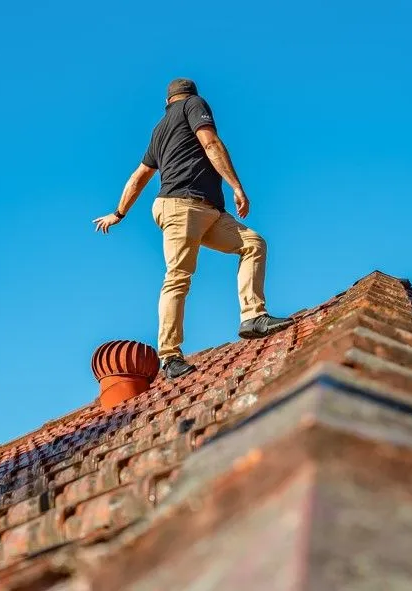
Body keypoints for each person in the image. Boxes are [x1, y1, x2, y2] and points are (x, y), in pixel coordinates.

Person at [93, 78, 293, 380]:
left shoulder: (159, 129)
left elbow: (138, 177)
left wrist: (119, 213)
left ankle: (252, 317)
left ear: (166, 102)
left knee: (253, 243)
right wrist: (237, 187)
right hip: (181, 206)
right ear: (190, 96)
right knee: (178, 276)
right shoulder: (193, 105)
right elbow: (211, 142)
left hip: (208, 211)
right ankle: (170, 356)